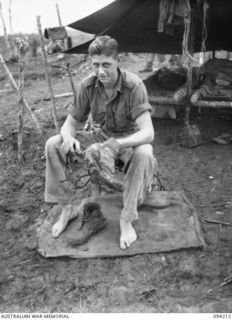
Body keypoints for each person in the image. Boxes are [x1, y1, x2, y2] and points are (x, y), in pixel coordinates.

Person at [45, 35, 157, 250]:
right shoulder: (87, 86)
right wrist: (69, 137)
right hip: (100, 136)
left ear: (118, 61)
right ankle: (68, 208)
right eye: (96, 65)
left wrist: (118, 144)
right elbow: (69, 124)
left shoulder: (134, 86)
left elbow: (148, 133)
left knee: (145, 151)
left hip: (128, 141)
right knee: (53, 143)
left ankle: (127, 218)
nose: (101, 71)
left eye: (106, 64)